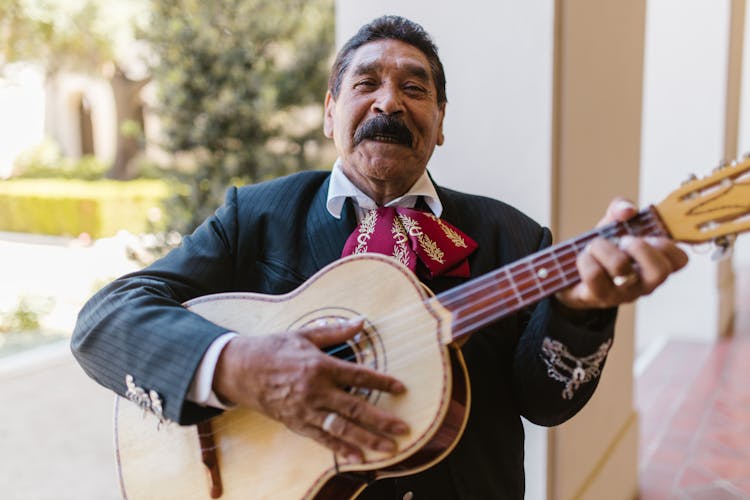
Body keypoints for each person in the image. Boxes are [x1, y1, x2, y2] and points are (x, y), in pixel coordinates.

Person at [71, 15, 687, 499]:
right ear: (329, 112)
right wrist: (239, 365)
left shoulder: (517, 238)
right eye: (366, 83)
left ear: (439, 122)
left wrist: (582, 311)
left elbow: (549, 404)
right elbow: (104, 321)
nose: (389, 103)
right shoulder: (254, 216)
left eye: (414, 88)